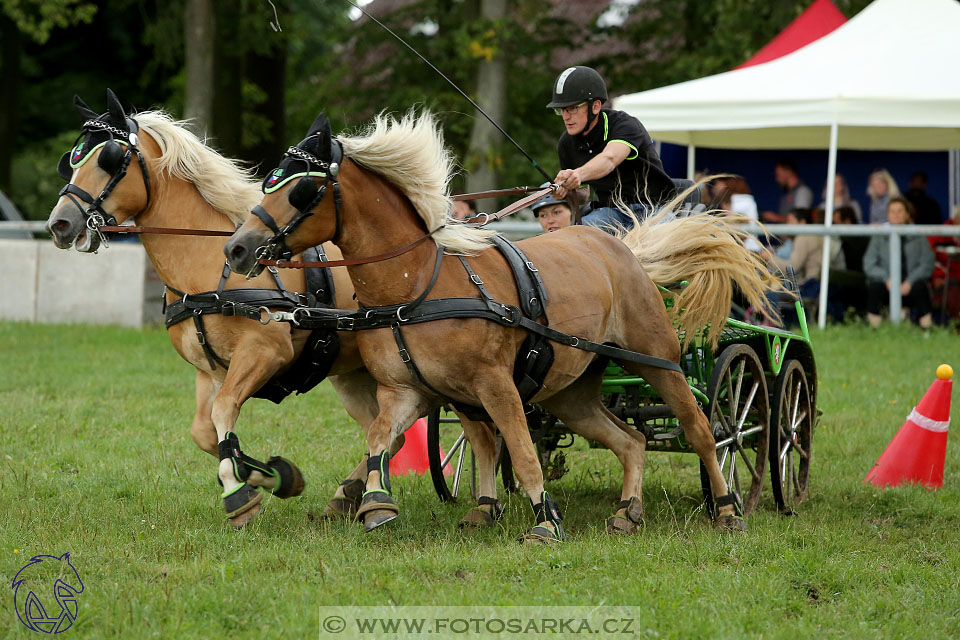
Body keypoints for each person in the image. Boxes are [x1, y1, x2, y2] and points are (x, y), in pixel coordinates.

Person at [547, 66, 682, 230]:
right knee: (575, 238)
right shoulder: (566, 144)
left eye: (573, 108)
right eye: (561, 110)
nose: (566, 116)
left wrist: (578, 174)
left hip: (653, 209)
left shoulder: (625, 125)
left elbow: (609, 159)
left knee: (660, 247)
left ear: (595, 106)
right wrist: (565, 191)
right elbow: (582, 195)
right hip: (609, 213)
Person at [863, 196, 934, 328]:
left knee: (921, 288)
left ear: (907, 214)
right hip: (887, 284)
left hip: (910, 285)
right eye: (892, 211)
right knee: (875, 287)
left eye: (900, 211)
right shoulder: (879, 236)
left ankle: (927, 330)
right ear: (888, 215)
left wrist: (909, 282)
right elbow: (869, 264)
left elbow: (927, 264)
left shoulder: (918, 236)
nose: (896, 215)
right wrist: (887, 279)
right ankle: (873, 331)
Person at [715, 176, 762, 253]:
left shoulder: (735, 200)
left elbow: (731, 221)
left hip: (743, 248)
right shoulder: (750, 200)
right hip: (753, 245)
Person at [761, 159, 812, 223]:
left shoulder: (802, 191)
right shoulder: (787, 192)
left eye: (778, 175)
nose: (777, 179)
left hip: (797, 232)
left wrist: (775, 217)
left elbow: (800, 219)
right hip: (786, 232)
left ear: (788, 172)